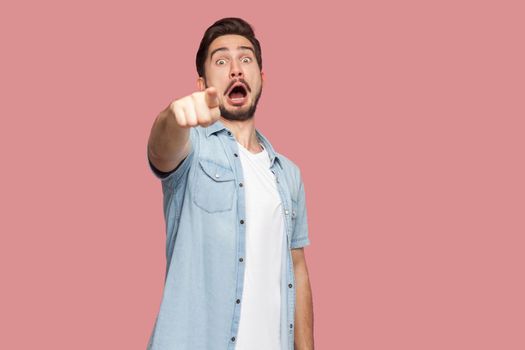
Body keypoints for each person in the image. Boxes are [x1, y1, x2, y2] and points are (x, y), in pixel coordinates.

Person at [146, 17, 314, 350]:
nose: (236, 69)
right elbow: (161, 153)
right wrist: (172, 117)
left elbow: (298, 267)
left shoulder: (288, 174)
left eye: (246, 59)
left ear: (261, 78)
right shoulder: (193, 147)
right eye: (221, 61)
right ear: (201, 82)